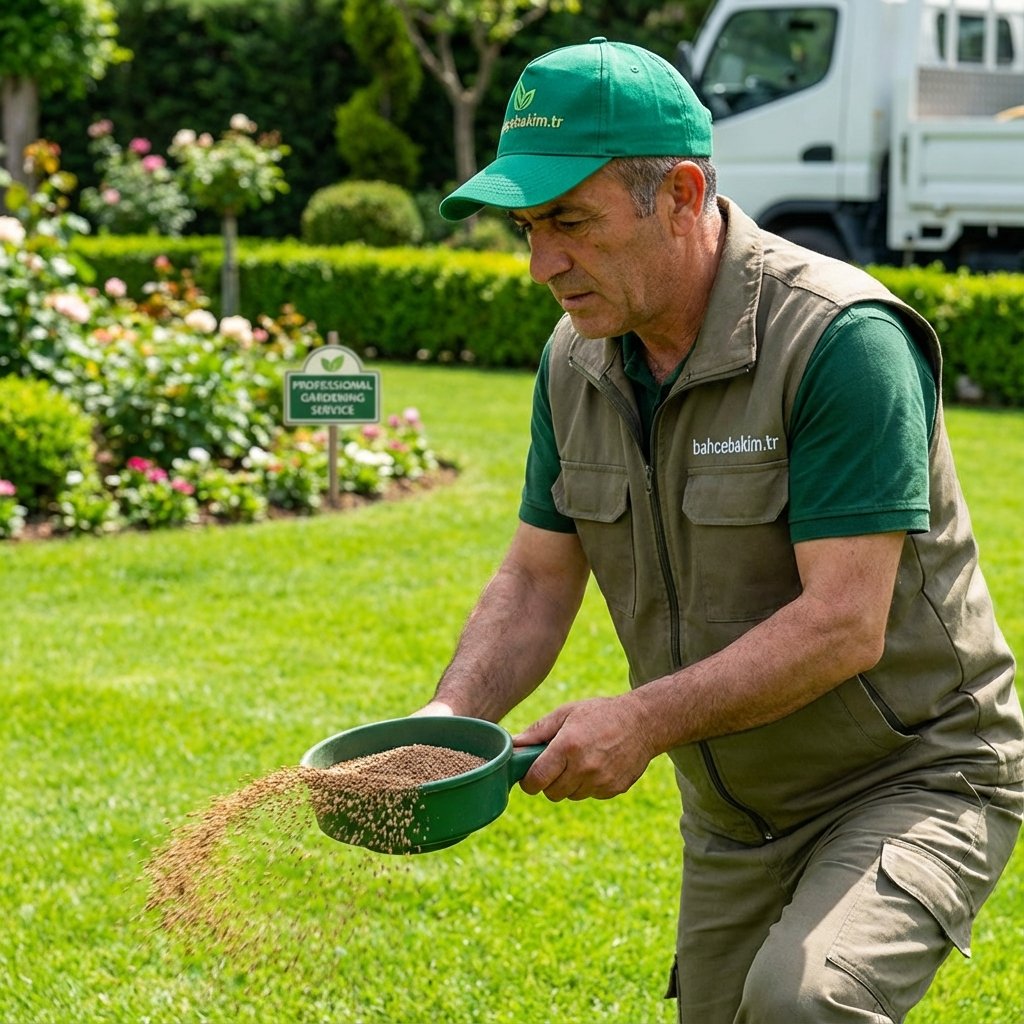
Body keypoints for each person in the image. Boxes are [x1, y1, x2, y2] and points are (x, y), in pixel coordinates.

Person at [418, 36, 1024, 1023]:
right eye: (526, 227)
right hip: (737, 810)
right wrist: (443, 727)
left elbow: (842, 621)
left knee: (801, 1002)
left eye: (569, 220)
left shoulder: (841, 341)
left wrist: (642, 720)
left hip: (917, 775)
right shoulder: (577, 361)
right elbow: (534, 581)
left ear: (682, 194)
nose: (541, 264)